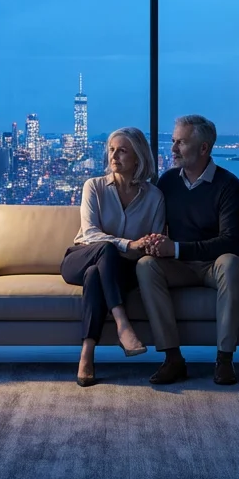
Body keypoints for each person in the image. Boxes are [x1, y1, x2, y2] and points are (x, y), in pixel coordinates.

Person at [135, 114, 239, 386]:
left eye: (181, 143)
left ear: (204, 148)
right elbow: (157, 222)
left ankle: (224, 359)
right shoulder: (168, 181)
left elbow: (230, 241)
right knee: (145, 266)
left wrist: (176, 248)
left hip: (214, 265)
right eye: (173, 142)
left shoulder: (228, 185)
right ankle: (173, 359)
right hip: (181, 266)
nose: (172, 149)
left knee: (231, 263)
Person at [60, 127, 165, 387]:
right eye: (111, 150)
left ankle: (87, 353)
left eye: (122, 150)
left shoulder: (154, 197)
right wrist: (129, 244)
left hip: (122, 269)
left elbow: (154, 241)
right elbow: (91, 233)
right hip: (81, 256)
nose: (113, 156)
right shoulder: (93, 187)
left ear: (138, 157)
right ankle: (123, 325)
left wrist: (139, 248)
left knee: (96, 274)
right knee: (105, 249)